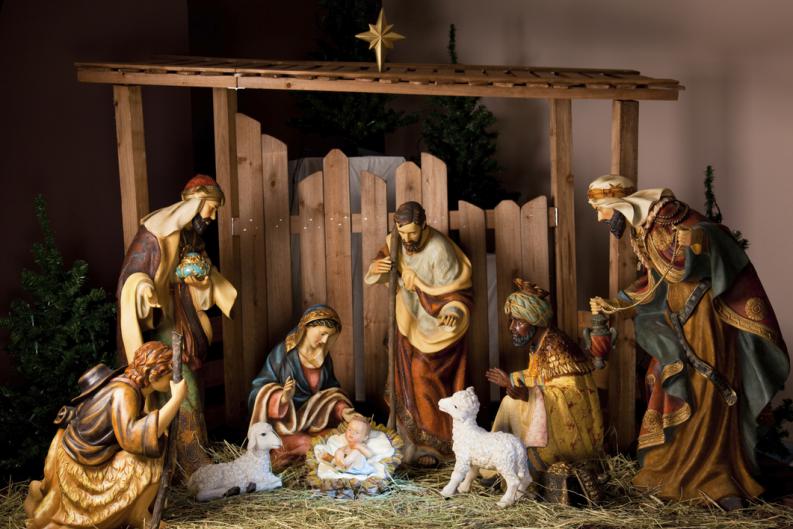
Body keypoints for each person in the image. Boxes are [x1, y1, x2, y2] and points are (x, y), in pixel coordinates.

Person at [587, 174, 789, 508]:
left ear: (617, 203)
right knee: (666, 383)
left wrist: (696, 241)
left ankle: (713, 477)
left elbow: (713, 237)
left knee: (705, 391)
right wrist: (618, 302)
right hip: (677, 319)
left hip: (704, 320)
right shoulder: (645, 227)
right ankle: (672, 469)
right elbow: (655, 282)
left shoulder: (669, 215)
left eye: (600, 209)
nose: (600, 218)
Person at [116, 174, 237, 477]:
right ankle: (188, 459)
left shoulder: (191, 238)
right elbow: (133, 274)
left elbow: (200, 275)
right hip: (160, 322)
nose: (212, 216)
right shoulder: (155, 232)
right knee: (182, 385)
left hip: (182, 319)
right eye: (211, 208)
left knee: (189, 383)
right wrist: (144, 288)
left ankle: (187, 459)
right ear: (194, 203)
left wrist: (201, 280)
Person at [24, 342, 187, 529]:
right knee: (151, 454)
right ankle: (138, 515)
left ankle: (40, 492)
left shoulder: (129, 385)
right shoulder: (125, 393)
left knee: (157, 439)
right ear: (153, 374)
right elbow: (133, 439)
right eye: (169, 375)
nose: (173, 380)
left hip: (82, 451)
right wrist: (176, 400)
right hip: (84, 463)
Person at [365, 201, 473, 465]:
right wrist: (377, 268)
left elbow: (455, 292)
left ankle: (436, 446)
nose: (407, 239)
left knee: (421, 374)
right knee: (403, 381)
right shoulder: (396, 241)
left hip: (437, 329)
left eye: (412, 233)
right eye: (402, 233)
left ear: (424, 225)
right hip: (407, 322)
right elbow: (382, 264)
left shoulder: (440, 251)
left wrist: (453, 310)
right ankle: (409, 443)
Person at [484, 279, 603, 479]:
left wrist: (528, 394)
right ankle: (495, 461)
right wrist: (514, 382)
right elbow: (541, 376)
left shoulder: (556, 346)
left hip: (571, 430)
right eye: (511, 320)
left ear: (535, 321)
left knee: (511, 406)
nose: (512, 327)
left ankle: (509, 464)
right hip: (545, 412)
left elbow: (571, 395)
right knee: (508, 403)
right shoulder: (539, 342)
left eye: (519, 321)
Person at [249, 305, 355, 467]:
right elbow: (257, 391)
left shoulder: (324, 359)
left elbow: (330, 394)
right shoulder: (282, 356)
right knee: (307, 443)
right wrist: (282, 398)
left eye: (329, 336)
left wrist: (344, 411)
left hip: (315, 425)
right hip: (286, 428)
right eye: (323, 334)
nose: (325, 341)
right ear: (307, 327)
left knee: (342, 438)